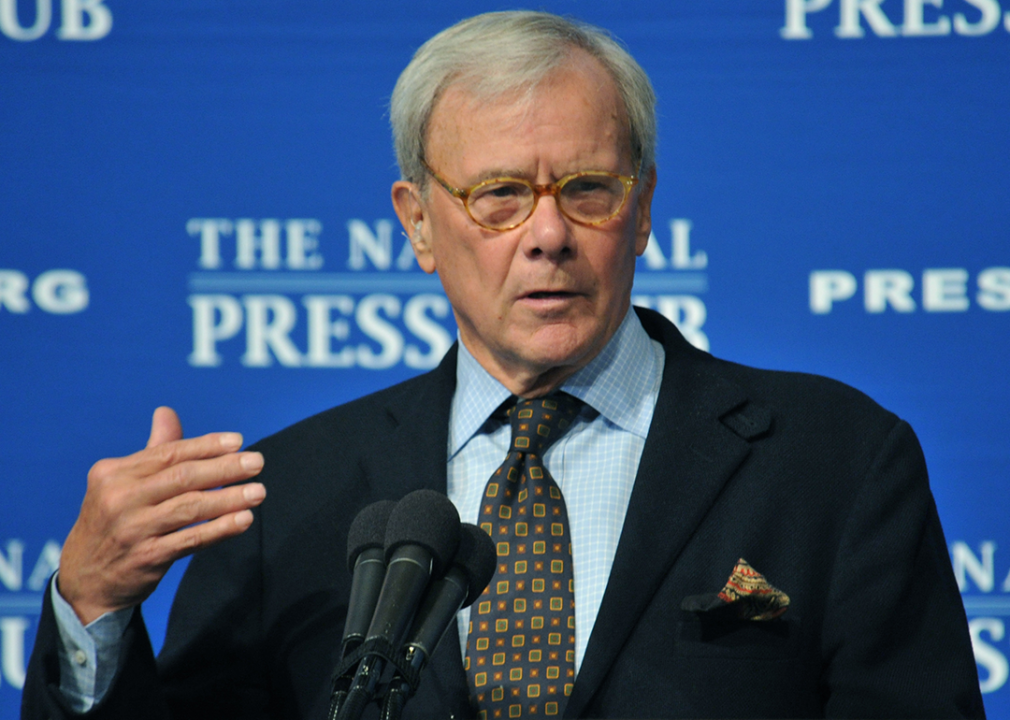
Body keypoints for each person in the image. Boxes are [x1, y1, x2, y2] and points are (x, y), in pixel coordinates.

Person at [23, 10, 984, 720]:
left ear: (644, 208)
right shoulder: (286, 500)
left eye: (589, 188)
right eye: (498, 196)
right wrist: (93, 609)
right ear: (417, 223)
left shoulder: (837, 462)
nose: (549, 236)